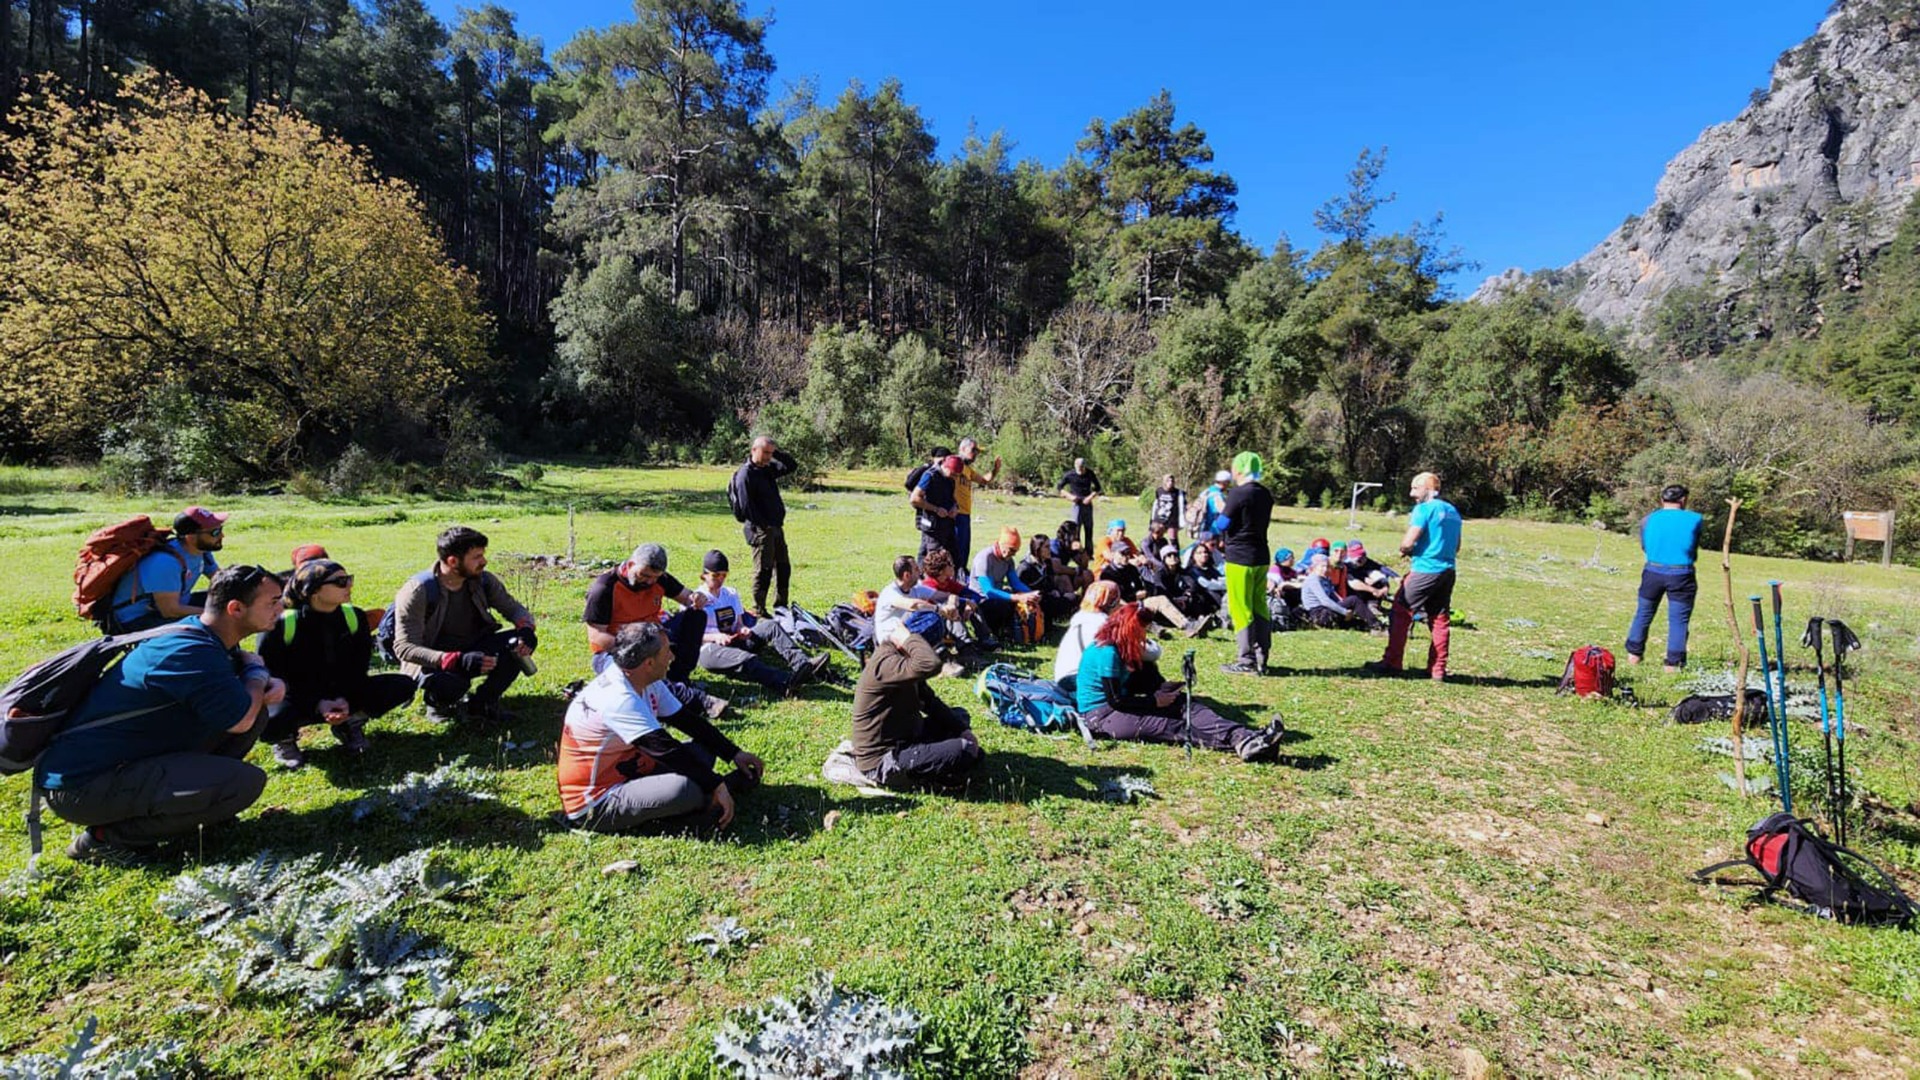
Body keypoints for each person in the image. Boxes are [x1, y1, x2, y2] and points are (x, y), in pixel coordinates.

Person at [39, 565, 288, 863]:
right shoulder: (191, 650)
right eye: (272, 601)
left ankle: (200, 805)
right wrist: (258, 674)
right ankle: (104, 841)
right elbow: (239, 719)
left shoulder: (204, 636)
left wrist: (256, 677)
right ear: (235, 608)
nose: (281, 607)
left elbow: (240, 703)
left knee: (252, 710)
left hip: (120, 762)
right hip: (83, 785)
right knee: (244, 782)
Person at [556, 623, 764, 835]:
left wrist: (733, 753)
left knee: (703, 750)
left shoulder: (644, 679)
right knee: (684, 790)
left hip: (634, 770)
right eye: (667, 652)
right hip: (597, 801)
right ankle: (700, 813)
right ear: (648, 663)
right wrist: (717, 784)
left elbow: (687, 721)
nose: (672, 656)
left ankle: (707, 799)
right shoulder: (618, 698)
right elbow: (665, 750)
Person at [258, 557, 416, 768]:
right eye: (340, 582)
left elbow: (358, 669)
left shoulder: (354, 617)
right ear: (313, 591)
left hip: (341, 690)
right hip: (296, 695)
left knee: (402, 685)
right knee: (269, 715)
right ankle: (284, 739)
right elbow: (271, 674)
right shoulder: (283, 623)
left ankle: (350, 723)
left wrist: (344, 699)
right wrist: (317, 703)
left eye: (348, 579)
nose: (349, 585)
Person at [1075, 603, 1281, 762]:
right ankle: (1245, 744)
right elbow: (1115, 700)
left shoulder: (1121, 648)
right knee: (1174, 725)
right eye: (1141, 630)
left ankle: (1246, 737)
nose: (1143, 636)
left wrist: (1159, 689)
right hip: (1102, 716)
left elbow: (1133, 684)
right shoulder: (1107, 653)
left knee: (1189, 706)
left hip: (1120, 706)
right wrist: (1155, 702)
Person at [393, 526, 538, 725]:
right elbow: (405, 648)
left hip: (475, 646)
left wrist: (526, 629)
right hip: (435, 659)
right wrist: (453, 660)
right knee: (452, 682)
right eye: (477, 557)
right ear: (453, 561)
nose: (484, 561)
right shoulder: (418, 591)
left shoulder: (483, 580)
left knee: (517, 645)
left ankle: (482, 703)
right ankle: (437, 703)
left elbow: (513, 609)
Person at [830, 624, 985, 791]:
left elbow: (930, 702)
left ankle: (943, 763)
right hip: (883, 759)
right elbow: (930, 664)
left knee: (959, 718)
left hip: (907, 736)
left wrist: (963, 730)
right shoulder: (886, 664)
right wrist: (907, 638)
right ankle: (925, 778)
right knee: (963, 749)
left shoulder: (903, 662)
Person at [583, 544, 725, 718]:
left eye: (654, 578)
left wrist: (696, 598)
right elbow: (597, 636)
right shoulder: (604, 588)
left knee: (696, 616)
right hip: (614, 652)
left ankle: (679, 676)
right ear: (630, 565)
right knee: (639, 673)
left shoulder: (660, 579)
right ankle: (697, 701)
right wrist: (637, 649)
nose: (649, 582)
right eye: (644, 575)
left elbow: (688, 597)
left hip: (654, 640)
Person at [1365, 472, 1463, 681]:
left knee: (1400, 611)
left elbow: (1408, 542)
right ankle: (1437, 669)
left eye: (1415, 488)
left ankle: (1392, 662)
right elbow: (1457, 547)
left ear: (1428, 488)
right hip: (1448, 571)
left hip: (1425, 569)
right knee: (1439, 619)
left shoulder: (1424, 509)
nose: (1412, 493)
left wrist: (1406, 550)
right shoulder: (1453, 511)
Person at [692, 550, 832, 694]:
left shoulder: (730, 594)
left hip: (735, 641)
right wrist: (715, 637)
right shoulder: (695, 599)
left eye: (724, 575)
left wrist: (742, 629)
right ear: (704, 575)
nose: (720, 579)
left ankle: (804, 665)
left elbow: (739, 623)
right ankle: (786, 682)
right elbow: (690, 636)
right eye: (715, 576)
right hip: (708, 650)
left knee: (771, 625)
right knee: (746, 659)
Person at [105, 506, 227, 633]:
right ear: (190, 537)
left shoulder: (201, 551)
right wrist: (215, 615)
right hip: (136, 619)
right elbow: (170, 610)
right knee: (213, 623)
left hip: (170, 606)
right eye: (215, 532)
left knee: (229, 602)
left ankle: (233, 652)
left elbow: (222, 582)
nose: (222, 535)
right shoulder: (165, 562)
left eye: (221, 529)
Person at [1625, 484, 1704, 672]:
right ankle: (1673, 664)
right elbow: (1693, 544)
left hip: (1652, 571)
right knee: (1678, 619)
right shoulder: (1696, 519)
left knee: (1643, 613)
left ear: (1662, 500)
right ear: (1683, 500)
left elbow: (1645, 546)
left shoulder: (1648, 520)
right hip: (1681, 573)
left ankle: (1634, 657)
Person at [1219, 452, 1276, 674]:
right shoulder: (1265, 494)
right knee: (1260, 605)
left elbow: (1222, 524)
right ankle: (1263, 657)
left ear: (1240, 469)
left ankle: (1246, 661)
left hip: (1239, 559)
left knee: (1241, 608)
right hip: (1261, 556)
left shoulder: (1238, 493)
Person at [731, 435, 798, 618]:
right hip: (760, 530)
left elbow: (791, 466)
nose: (769, 457)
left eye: (771, 453)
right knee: (763, 570)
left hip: (776, 528)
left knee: (783, 568)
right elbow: (746, 507)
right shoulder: (746, 474)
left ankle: (781, 605)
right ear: (754, 450)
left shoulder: (767, 469)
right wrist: (763, 525)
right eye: (766, 452)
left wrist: (777, 452)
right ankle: (759, 609)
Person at [1054, 580, 1157, 687]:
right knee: (1145, 668)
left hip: (1064, 677)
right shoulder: (1103, 625)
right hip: (1079, 679)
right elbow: (1150, 653)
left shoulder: (1081, 618)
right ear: (1112, 602)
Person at [970, 527, 1042, 639]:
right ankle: (995, 632)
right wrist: (1017, 597)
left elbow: (1015, 583)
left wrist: (1031, 594)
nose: (1013, 554)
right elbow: (988, 591)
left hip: (997, 597)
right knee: (1003, 605)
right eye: (1011, 550)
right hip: (981, 600)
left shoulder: (1008, 561)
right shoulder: (984, 558)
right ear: (1001, 544)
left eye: (1016, 551)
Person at [952, 437, 1001, 573]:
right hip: (956, 514)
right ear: (962, 449)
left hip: (966, 514)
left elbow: (984, 481)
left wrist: (995, 470)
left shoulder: (968, 469)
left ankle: (962, 573)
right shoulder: (954, 464)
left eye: (977, 452)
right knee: (956, 548)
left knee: (964, 548)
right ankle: (955, 575)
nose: (975, 455)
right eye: (973, 450)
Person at [1299, 553, 1383, 631]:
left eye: (1327, 566)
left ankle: (1375, 627)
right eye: (1322, 566)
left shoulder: (1325, 578)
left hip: (1327, 611)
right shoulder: (1313, 579)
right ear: (1314, 567)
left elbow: (1333, 596)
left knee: (1359, 623)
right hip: (1319, 614)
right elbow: (1325, 601)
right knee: (1353, 600)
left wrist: (1344, 606)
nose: (1325, 569)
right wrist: (1344, 612)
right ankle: (1377, 625)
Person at [910, 454, 965, 570]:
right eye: (953, 474)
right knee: (934, 560)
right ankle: (925, 584)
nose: (955, 477)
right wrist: (936, 509)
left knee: (955, 557)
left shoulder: (951, 479)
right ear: (946, 467)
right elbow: (914, 499)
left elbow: (951, 498)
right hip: (933, 526)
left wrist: (955, 507)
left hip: (947, 525)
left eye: (957, 475)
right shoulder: (930, 476)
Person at [1058, 458, 1102, 553]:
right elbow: (1059, 487)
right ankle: (1077, 552)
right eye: (1078, 468)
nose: (1080, 470)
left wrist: (1090, 497)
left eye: (1082, 468)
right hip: (1076, 503)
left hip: (1087, 502)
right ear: (1075, 466)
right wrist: (1069, 496)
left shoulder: (1090, 473)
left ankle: (1089, 552)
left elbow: (1098, 488)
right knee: (1076, 528)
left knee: (1089, 528)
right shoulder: (1070, 475)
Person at [1150, 474, 1187, 549]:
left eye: (1172, 481)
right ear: (1164, 482)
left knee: (1173, 539)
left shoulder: (1178, 493)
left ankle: (1176, 557)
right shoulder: (1159, 491)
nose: (1170, 482)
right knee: (1154, 537)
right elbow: (1156, 503)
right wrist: (1153, 519)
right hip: (1159, 519)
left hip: (1172, 520)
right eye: (1168, 480)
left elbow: (1184, 504)